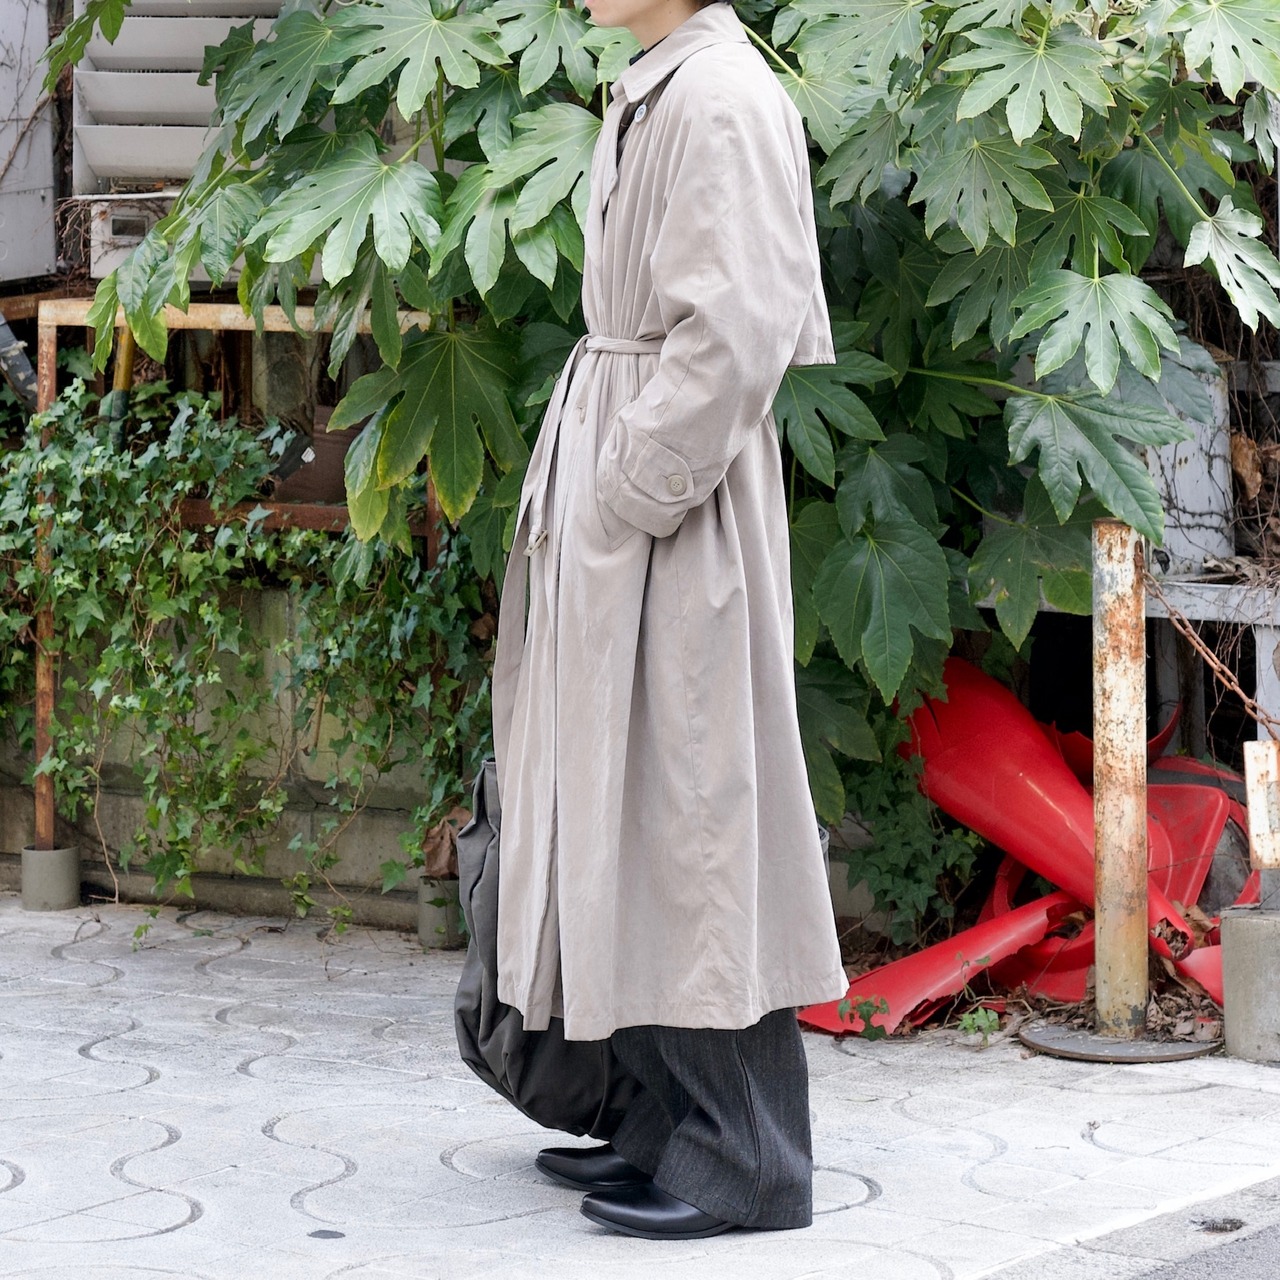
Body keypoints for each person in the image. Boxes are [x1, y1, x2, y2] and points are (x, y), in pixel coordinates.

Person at [488, 0, 848, 1242]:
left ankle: (747, 1159)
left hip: (674, 512)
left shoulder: (720, 98)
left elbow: (735, 330)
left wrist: (631, 484)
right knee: (623, 806)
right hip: (632, 490)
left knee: (688, 810)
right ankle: (660, 1123)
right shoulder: (663, 82)